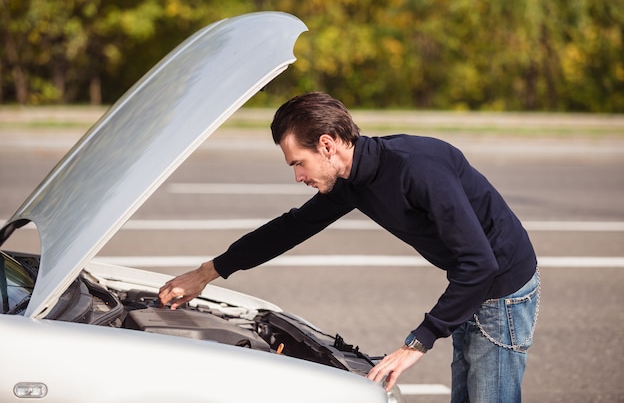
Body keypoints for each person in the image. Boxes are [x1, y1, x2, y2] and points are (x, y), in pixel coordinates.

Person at [158, 91, 540, 403]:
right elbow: (291, 228)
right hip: (470, 287)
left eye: (299, 163)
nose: (297, 176)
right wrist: (207, 273)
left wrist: (416, 343)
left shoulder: (415, 169)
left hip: (502, 290)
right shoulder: (353, 180)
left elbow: (481, 264)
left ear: (326, 145)